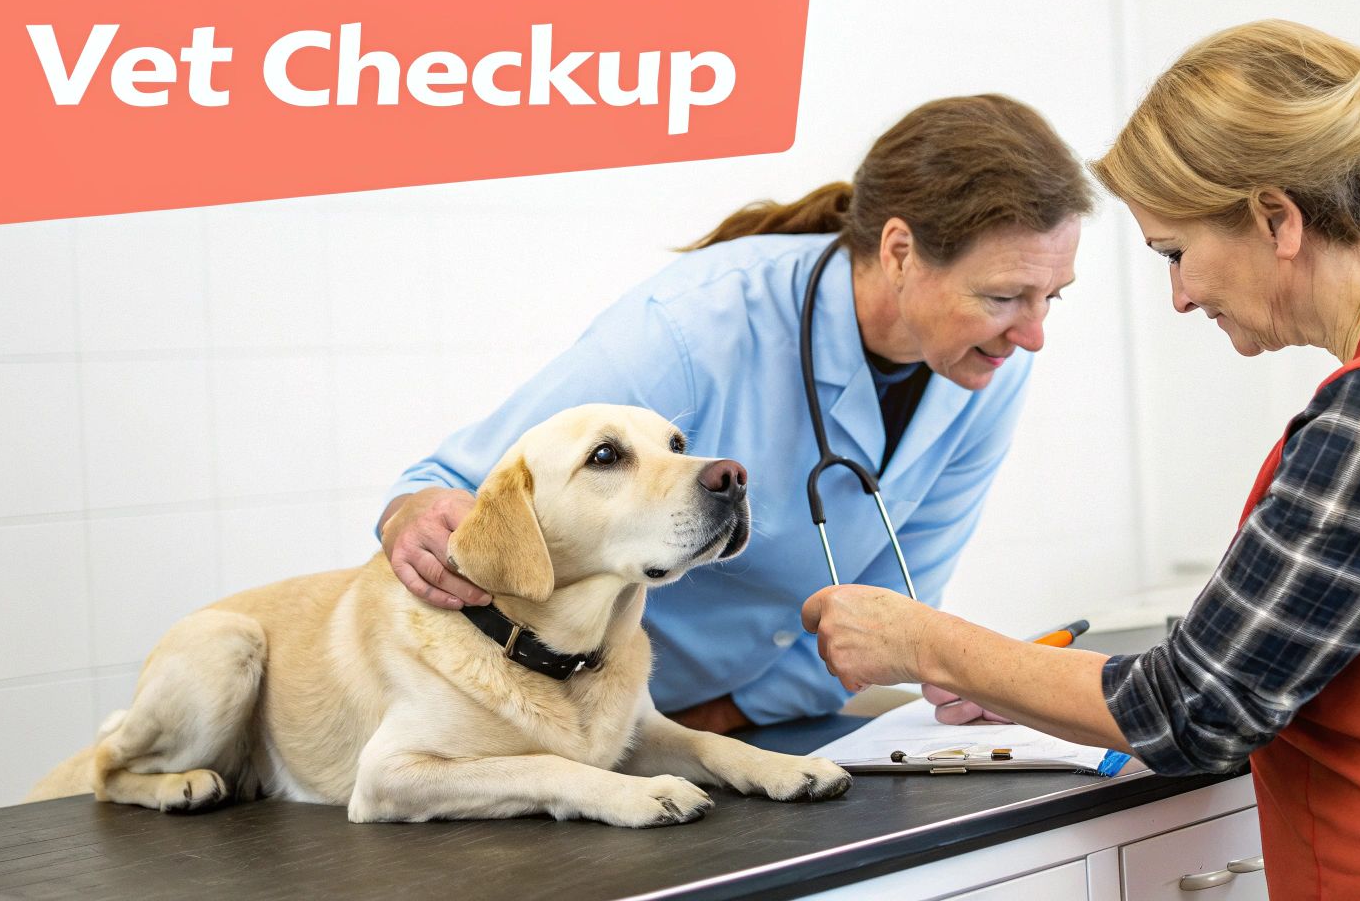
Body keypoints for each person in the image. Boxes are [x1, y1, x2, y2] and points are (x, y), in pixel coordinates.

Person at [801, 21, 1360, 898]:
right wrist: (1018, 682)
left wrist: (923, 642)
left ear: (1274, 218)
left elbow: (1194, 707)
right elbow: (1266, 652)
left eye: (1176, 253)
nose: (1180, 296)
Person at [378, 94, 1091, 734]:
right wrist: (413, 515)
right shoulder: (693, 328)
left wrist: (717, 724)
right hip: (544, 713)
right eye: (1003, 297)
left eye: (1050, 297)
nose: (1032, 335)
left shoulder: (989, 368)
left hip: (713, 726)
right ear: (899, 251)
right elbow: (450, 485)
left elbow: (897, 607)